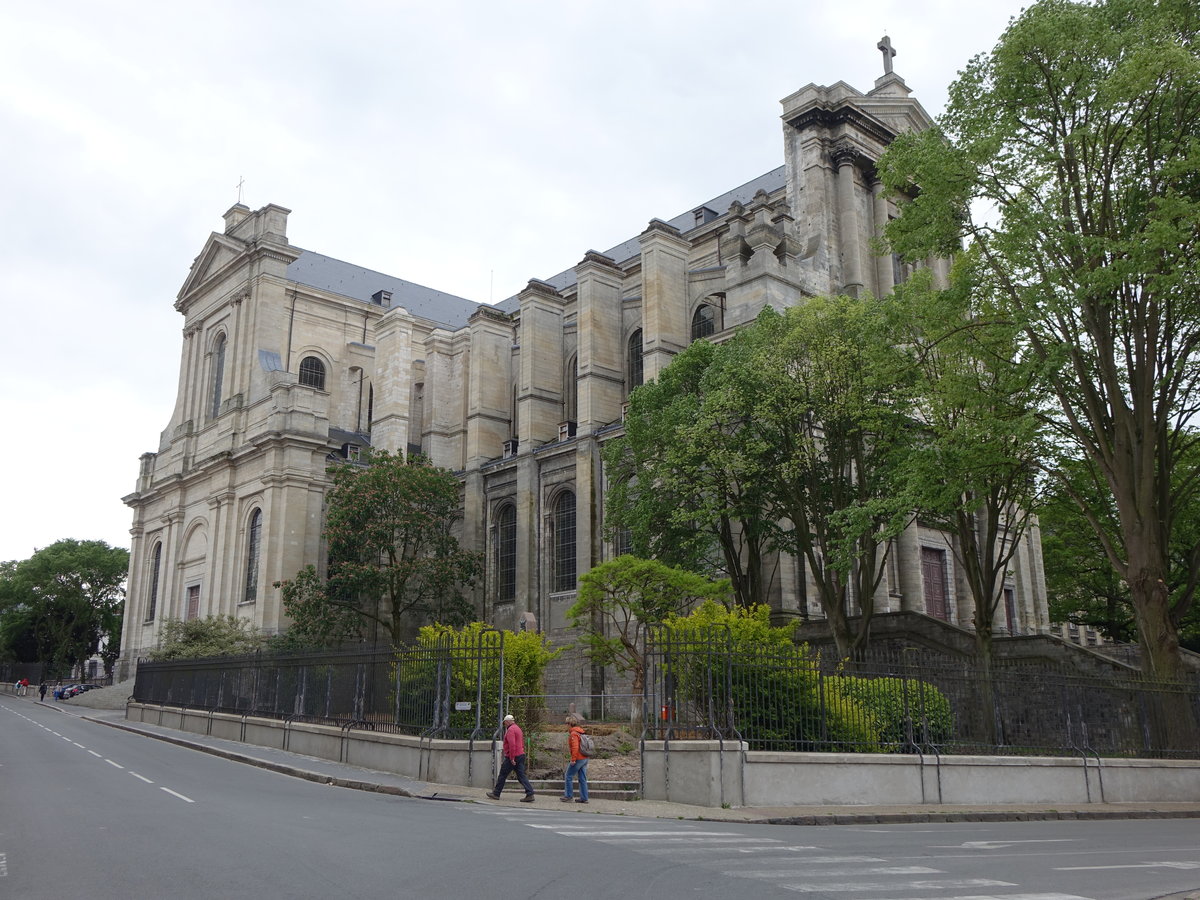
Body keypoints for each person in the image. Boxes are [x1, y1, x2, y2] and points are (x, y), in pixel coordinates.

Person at [487, 713, 535, 802]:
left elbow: (512, 744)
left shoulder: (511, 730)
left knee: (502, 775)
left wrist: (512, 758)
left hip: (512, 756)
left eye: (505, 723)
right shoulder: (518, 728)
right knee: (521, 775)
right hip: (521, 754)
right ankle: (530, 793)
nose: (504, 724)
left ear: (508, 722)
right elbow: (521, 742)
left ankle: (496, 794)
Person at [561, 715, 589, 804]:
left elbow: (575, 747)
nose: (565, 725)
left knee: (568, 775)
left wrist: (573, 759)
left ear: (569, 724)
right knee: (582, 778)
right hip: (585, 757)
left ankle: (569, 796)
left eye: (566, 723)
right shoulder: (581, 732)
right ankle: (584, 797)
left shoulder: (573, 733)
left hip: (578, 759)